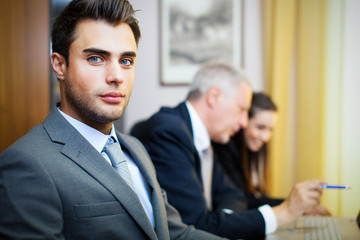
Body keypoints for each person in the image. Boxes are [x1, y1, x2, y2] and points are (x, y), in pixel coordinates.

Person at [0, 1, 227, 239]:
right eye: (96, 58)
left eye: (126, 61)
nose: (117, 76)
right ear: (59, 65)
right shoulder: (26, 164)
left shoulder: (136, 148)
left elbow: (173, 233)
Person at [131, 62, 327, 239]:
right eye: (241, 109)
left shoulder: (204, 137)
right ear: (214, 97)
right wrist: (284, 212)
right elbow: (196, 225)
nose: (243, 123)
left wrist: (224, 220)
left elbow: (232, 195)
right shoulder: (169, 134)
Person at [212, 92, 330, 214]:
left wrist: (296, 205)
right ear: (244, 122)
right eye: (260, 127)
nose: (266, 137)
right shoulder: (224, 150)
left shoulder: (252, 150)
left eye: (270, 129)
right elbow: (244, 200)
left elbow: (251, 198)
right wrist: (291, 204)